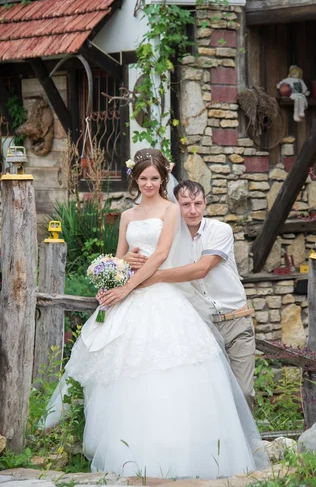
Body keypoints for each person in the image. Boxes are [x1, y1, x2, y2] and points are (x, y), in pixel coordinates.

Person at [44, 148, 268, 479]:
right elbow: (119, 257)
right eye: (143, 178)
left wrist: (128, 286)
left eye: (155, 178)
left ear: (163, 179)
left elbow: (162, 254)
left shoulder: (171, 210)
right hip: (131, 297)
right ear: (134, 179)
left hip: (159, 298)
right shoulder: (126, 216)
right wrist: (113, 276)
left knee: (171, 372)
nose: (148, 183)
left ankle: (184, 453)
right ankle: (129, 452)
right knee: (126, 373)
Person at [132, 180, 256, 409]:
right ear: (175, 206)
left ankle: (247, 443)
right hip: (201, 325)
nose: (193, 210)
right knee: (209, 393)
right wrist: (129, 259)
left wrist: (157, 276)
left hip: (235, 320)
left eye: (198, 203)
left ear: (205, 203)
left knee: (244, 392)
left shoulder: (220, 230)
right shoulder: (169, 239)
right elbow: (147, 255)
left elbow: (202, 268)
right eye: (186, 204)